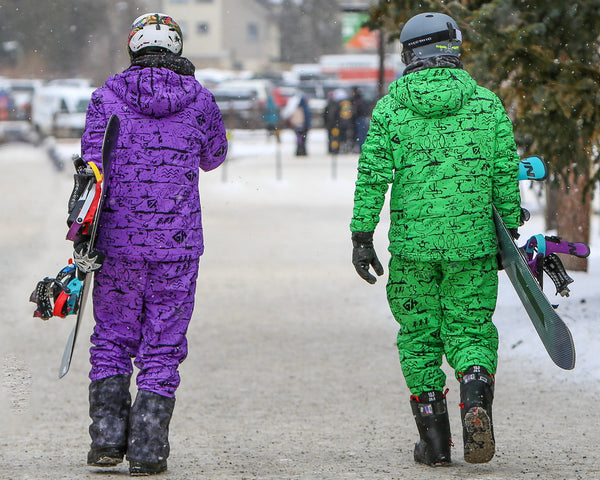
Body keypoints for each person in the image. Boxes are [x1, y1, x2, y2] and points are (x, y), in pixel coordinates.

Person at [350, 12, 522, 467]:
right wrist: (509, 229)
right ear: (454, 48)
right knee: (470, 329)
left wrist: (361, 235)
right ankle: (475, 395)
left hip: (412, 249)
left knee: (420, 336)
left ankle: (436, 443)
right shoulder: (486, 106)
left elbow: (372, 177)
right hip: (474, 246)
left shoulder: (391, 109)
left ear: (409, 53)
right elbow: (505, 172)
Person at [78, 12, 227, 476]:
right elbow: (214, 156)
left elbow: (89, 161)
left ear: (132, 48)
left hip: (117, 243)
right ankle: (147, 449)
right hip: (177, 246)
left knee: (113, 338)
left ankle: (106, 441)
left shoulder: (106, 98)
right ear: (178, 49)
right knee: (162, 345)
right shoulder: (199, 100)